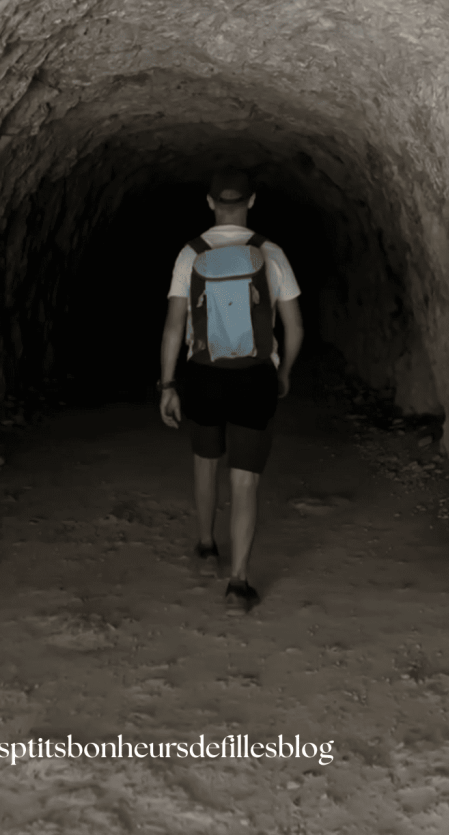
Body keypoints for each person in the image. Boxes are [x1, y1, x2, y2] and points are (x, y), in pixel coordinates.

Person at [158, 168, 304, 614]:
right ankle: (238, 584)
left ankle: (206, 547)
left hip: (203, 373)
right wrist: (283, 373)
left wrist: (167, 384)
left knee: (206, 462)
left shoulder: (191, 254)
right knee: (245, 480)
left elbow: (174, 326)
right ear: (252, 201)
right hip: (254, 376)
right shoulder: (271, 253)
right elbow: (295, 328)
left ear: (209, 203)